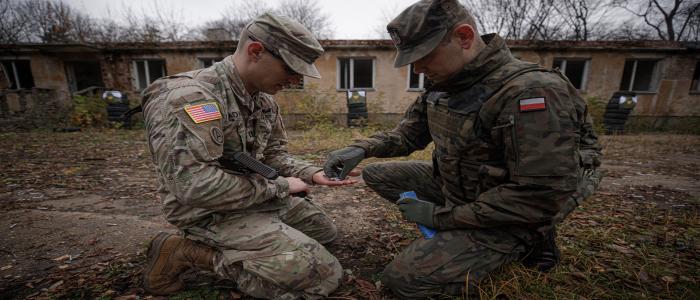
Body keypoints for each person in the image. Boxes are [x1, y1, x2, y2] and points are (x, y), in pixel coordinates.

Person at [323, 0, 603, 298]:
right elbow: (408, 136)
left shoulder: (530, 92)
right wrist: (361, 149)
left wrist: (439, 218)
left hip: (518, 210)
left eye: (424, 55)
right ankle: (465, 231)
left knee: (404, 280)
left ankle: (532, 238)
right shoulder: (446, 84)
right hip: (466, 188)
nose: (416, 68)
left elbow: (539, 194)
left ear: (464, 38)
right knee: (379, 175)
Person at [140, 13, 356, 299]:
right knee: (322, 276)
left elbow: (273, 158)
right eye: (291, 69)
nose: (295, 79)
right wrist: (280, 186)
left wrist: (312, 174)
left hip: (252, 197)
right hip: (207, 211)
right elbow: (194, 186)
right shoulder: (189, 98)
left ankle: (259, 240)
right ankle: (185, 252)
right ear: (256, 51)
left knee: (324, 232)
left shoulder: (264, 101)